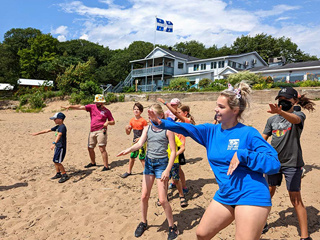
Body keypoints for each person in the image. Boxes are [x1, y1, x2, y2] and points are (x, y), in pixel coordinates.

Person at [149, 82, 281, 240]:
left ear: (235, 110)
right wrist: (161, 123)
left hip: (251, 194)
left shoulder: (248, 133)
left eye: (221, 106)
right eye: (216, 105)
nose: (215, 109)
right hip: (226, 194)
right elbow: (186, 128)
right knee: (202, 234)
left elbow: (274, 163)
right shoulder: (210, 131)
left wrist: (243, 154)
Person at [117, 104, 179, 240]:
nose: (150, 119)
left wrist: (168, 170)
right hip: (149, 164)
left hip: (162, 165)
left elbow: (173, 152)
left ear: (161, 116)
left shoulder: (168, 130)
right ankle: (144, 222)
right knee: (144, 196)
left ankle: (172, 227)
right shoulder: (147, 128)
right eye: (149, 116)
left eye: (153, 116)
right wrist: (128, 150)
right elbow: (139, 144)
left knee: (163, 200)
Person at [262, 87, 315, 240]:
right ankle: (263, 222)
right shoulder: (271, 120)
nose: (283, 102)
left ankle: (305, 236)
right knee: (268, 193)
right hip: (273, 163)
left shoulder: (298, 115)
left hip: (292, 163)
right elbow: (262, 139)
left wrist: (280, 112)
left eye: (286, 100)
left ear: (295, 101)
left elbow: (295, 120)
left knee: (295, 198)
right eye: (280, 100)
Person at [61, 94, 115, 171]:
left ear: (103, 102)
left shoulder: (107, 111)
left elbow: (113, 122)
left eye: (99, 102)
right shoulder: (92, 107)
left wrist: (108, 123)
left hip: (101, 130)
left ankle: (106, 166)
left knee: (102, 148)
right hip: (92, 131)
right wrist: (70, 106)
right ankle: (93, 162)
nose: (98, 103)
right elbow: (80, 107)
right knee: (90, 147)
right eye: (97, 102)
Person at [31, 112, 69, 183]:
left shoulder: (62, 127)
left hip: (61, 147)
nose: (54, 120)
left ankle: (64, 175)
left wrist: (54, 143)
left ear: (60, 119)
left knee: (57, 161)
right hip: (58, 146)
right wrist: (37, 133)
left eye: (55, 119)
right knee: (55, 160)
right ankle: (58, 173)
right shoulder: (58, 127)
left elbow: (59, 135)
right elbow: (47, 130)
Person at [121, 102, 148, 178]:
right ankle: (129, 171)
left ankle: (146, 172)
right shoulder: (132, 120)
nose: (136, 111)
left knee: (142, 158)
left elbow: (146, 132)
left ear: (141, 111)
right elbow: (128, 133)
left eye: (138, 109)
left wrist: (140, 138)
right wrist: (126, 129)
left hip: (142, 142)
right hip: (134, 141)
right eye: (135, 109)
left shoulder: (143, 121)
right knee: (132, 156)